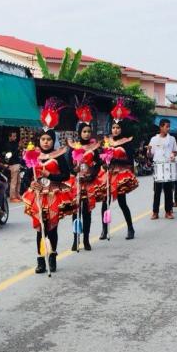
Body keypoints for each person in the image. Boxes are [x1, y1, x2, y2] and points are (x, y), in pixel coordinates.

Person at [22, 98, 73, 272]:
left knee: (52, 228)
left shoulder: (59, 155)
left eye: (49, 139)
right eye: (43, 139)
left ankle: (52, 257)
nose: (46, 142)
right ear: (39, 141)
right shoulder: (32, 156)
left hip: (53, 194)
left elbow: (66, 175)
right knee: (40, 229)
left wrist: (49, 175)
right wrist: (31, 183)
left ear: (53, 141)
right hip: (37, 194)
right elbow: (27, 175)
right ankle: (40, 260)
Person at [68, 99, 104, 251]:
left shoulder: (94, 147)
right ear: (79, 133)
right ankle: (75, 240)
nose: (87, 134)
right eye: (84, 131)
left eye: (89, 131)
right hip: (76, 183)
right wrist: (74, 170)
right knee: (75, 212)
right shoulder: (73, 147)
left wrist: (93, 175)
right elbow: (68, 165)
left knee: (87, 212)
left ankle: (86, 239)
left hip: (89, 183)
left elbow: (98, 164)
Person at [101, 98, 139, 240]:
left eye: (117, 128)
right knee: (105, 203)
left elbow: (129, 160)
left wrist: (115, 160)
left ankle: (130, 228)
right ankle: (104, 230)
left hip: (120, 175)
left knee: (122, 203)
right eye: (113, 128)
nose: (115, 130)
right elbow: (103, 158)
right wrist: (104, 163)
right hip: (108, 175)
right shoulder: (107, 142)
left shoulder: (127, 142)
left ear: (121, 129)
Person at [148, 118, 177, 219]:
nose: (168, 128)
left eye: (169, 127)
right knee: (157, 191)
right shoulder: (154, 139)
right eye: (166, 126)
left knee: (168, 190)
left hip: (168, 165)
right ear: (161, 127)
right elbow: (150, 155)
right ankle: (155, 212)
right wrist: (148, 151)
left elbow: (175, 151)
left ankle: (168, 212)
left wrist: (173, 155)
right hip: (158, 166)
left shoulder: (172, 139)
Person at [0, 130, 23, 202]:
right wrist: (18, 148)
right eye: (13, 136)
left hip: (17, 163)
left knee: (19, 181)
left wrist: (20, 148)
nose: (15, 137)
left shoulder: (15, 143)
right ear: (9, 137)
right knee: (14, 181)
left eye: (15, 136)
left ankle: (17, 195)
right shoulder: (7, 145)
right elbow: (11, 155)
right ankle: (12, 197)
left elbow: (18, 153)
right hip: (12, 164)